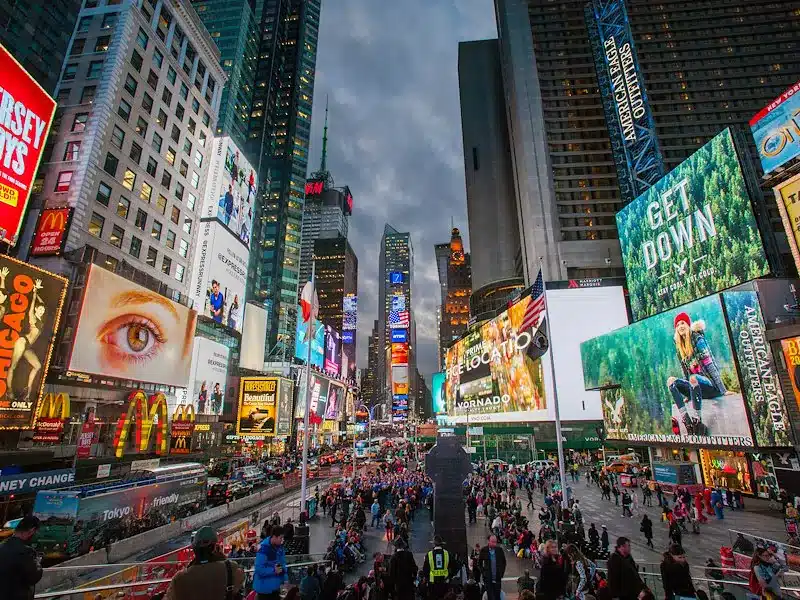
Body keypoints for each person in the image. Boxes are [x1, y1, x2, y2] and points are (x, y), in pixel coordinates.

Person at [667, 312, 730, 435]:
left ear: (688, 325)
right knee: (671, 381)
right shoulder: (680, 348)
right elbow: (685, 372)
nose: (680, 326)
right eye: (678, 325)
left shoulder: (698, 339)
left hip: (709, 385)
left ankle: (697, 421)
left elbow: (710, 365)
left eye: (683, 323)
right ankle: (687, 422)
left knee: (693, 378)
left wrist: (722, 390)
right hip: (694, 387)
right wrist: (687, 394)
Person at [164, 526, 244, 600]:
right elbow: (239, 583)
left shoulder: (180, 578)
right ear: (215, 548)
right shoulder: (231, 568)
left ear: (194, 549)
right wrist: (221, 557)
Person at [0, 516, 43, 600]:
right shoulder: (26, 552)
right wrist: (38, 563)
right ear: (32, 531)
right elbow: (34, 577)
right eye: (36, 532)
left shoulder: (1, 547)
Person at [253, 525, 287, 600]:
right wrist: (274, 571)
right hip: (264, 591)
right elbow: (259, 569)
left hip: (276, 588)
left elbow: (283, 563)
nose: (282, 540)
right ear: (274, 537)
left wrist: (285, 579)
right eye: (281, 538)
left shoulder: (280, 548)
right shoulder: (263, 549)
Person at [422, 535, 452, 600]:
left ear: (434, 544)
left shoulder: (429, 554)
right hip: (444, 582)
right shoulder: (447, 554)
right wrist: (450, 576)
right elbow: (455, 566)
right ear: (442, 544)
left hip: (433, 584)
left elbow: (425, 570)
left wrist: (427, 579)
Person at [478, 534, 507, 600]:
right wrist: (483, 573)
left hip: (497, 578)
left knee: (497, 596)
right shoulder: (484, 550)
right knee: (490, 597)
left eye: (495, 542)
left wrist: (501, 573)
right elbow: (479, 563)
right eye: (493, 542)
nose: (494, 544)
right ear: (488, 541)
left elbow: (504, 562)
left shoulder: (499, 550)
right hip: (488, 579)